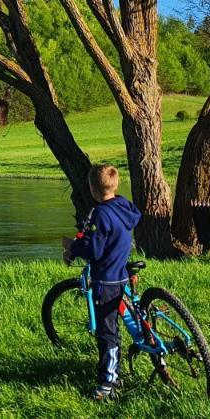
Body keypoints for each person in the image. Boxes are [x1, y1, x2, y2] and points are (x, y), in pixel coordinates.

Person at [61, 163, 142, 402]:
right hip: (122, 272)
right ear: (115, 186)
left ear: (92, 190)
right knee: (124, 318)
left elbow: (94, 250)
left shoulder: (100, 213)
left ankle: (107, 383)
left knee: (108, 333)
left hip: (106, 279)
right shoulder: (124, 205)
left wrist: (72, 246)